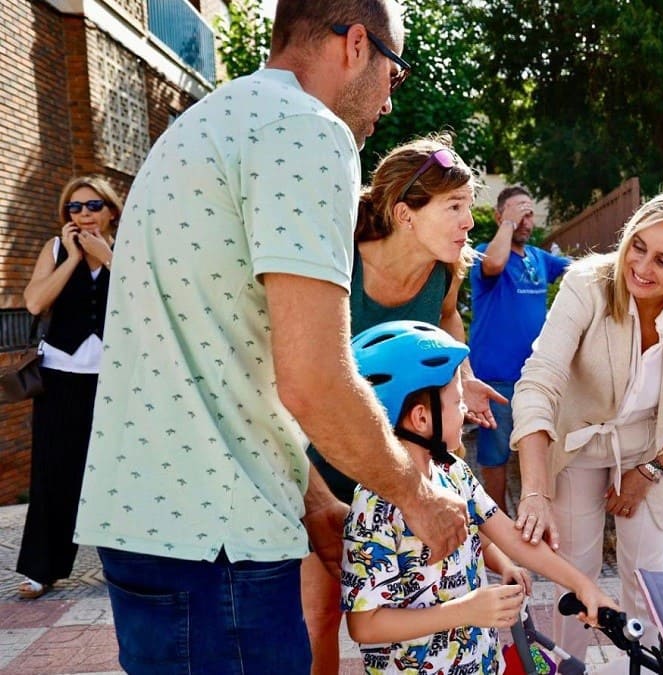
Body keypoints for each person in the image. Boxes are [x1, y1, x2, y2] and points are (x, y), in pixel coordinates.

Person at [74, 3, 470, 672]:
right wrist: (418, 493)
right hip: (220, 544)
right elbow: (312, 378)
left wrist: (316, 498)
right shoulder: (307, 130)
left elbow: (227, 360)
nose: (389, 102)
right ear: (354, 45)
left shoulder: (207, 123)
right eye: (394, 74)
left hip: (153, 522)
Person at [302, 136, 505, 673]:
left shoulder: (443, 269)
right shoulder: (338, 262)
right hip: (323, 467)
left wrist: (463, 376)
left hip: (406, 471)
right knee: (319, 616)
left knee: (420, 608)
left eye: (470, 206)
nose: (469, 221)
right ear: (404, 215)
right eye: (455, 207)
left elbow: (444, 320)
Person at [511, 190, 663, 657]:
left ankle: (652, 666)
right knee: (576, 571)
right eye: (639, 246)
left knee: (651, 580)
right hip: (578, 444)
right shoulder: (586, 284)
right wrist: (535, 491)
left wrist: (650, 469)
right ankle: (568, 666)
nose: (643, 268)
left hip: (652, 448)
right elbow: (539, 381)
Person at [342, 321, 614, 674]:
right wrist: (467, 611)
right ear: (422, 418)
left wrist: (580, 584)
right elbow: (364, 625)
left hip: (479, 662)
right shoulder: (374, 506)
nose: (466, 413)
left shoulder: (453, 470)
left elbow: (507, 535)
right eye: (456, 402)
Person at [16, 176, 121, 600]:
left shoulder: (130, 246)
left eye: (93, 206)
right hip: (61, 376)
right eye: (74, 209)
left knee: (117, 470)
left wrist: (108, 256)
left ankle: (125, 565)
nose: (83, 215)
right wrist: (74, 257)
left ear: (111, 210)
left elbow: (148, 298)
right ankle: (43, 569)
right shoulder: (56, 249)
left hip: (116, 377)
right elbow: (35, 303)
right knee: (53, 472)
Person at [469, 186, 570, 513]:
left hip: (536, 377)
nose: (526, 220)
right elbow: (495, 265)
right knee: (495, 455)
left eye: (529, 213)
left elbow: (580, 271)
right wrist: (508, 225)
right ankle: (498, 520)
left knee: (538, 448)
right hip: (496, 379)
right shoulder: (487, 252)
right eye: (517, 213)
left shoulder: (541, 259)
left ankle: (535, 512)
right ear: (500, 217)